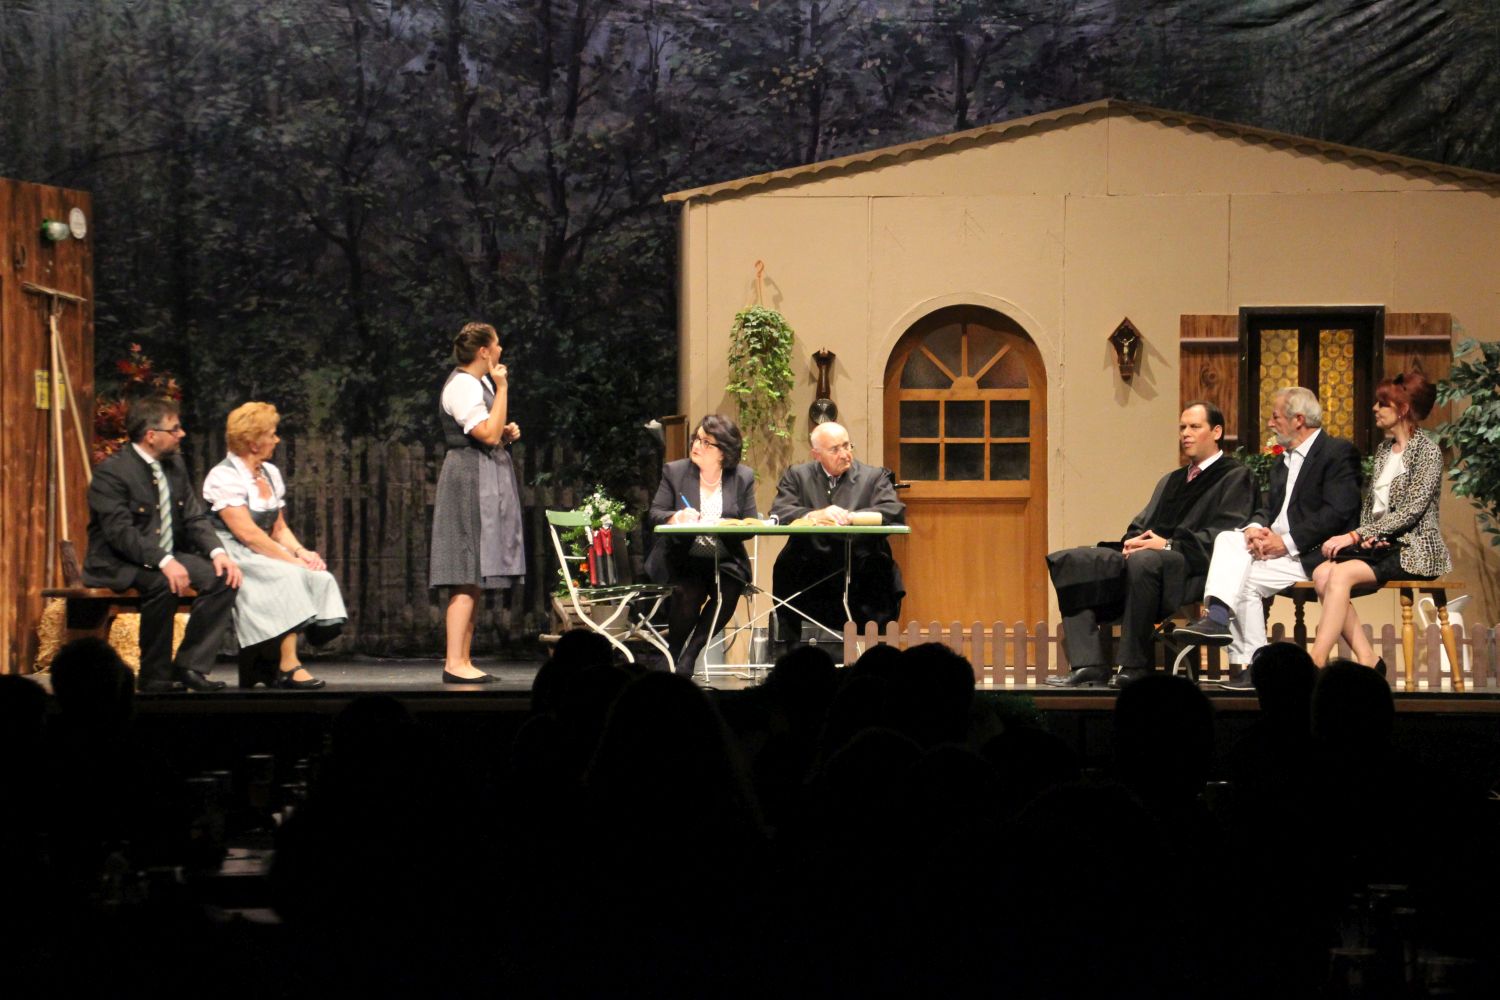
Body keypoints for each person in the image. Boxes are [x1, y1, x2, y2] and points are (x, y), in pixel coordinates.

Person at [1045, 402, 1254, 688]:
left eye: (1195, 427)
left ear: (1216, 432)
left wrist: (1167, 544)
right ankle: (1088, 664)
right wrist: (1133, 541)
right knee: (1074, 561)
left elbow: (1226, 535)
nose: (1186, 433)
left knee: (1144, 560)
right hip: (1150, 559)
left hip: (1191, 566)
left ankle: (1134, 665)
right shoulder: (1172, 480)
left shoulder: (1235, 476)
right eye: (1182, 427)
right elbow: (1142, 523)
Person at [1179, 387, 1362, 680]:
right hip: (1276, 550)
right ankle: (1231, 636)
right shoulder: (1281, 462)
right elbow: (1268, 509)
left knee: (1243, 579)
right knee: (1229, 540)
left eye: (1276, 417)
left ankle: (1245, 655)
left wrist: (1286, 543)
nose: (1270, 423)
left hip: (1314, 553)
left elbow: (1338, 512)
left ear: (1298, 420)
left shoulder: (1336, 453)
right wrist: (1254, 528)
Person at [82, 396, 242, 693]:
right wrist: (164, 561)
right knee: (162, 583)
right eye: (175, 429)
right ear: (151, 435)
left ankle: (190, 665)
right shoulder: (112, 473)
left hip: (167, 555)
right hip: (119, 561)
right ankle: (154, 676)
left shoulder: (174, 466)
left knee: (223, 577)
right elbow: (120, 534)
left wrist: (217, 552)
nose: (182, 434)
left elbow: (193, 516)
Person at [1307, 372, 1450, 668]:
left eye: (1382, 403)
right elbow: (1372, 506)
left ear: (1403, 409)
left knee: (1340, 575)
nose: (1375, 408)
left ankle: (1316, 659)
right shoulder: (1384, 451)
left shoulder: (1427, 452)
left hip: (1415, 547)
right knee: (1321, 574)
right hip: (1384, 545)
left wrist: (1356, 535)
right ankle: (1369, 659)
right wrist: (1368, 536)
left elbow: (1411, 511)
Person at [202, 402, 347, 690]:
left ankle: (313, 630)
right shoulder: (225, 476)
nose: (277, 440)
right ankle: (288, 664)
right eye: (271, 434)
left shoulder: (269, 473)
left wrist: (302, 553)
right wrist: (291, 562)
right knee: (289, 576)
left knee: (317, 576)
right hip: (233, 552)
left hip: (262, 549)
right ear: (253, 442)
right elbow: (247, 534)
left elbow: (278, 528)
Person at [429, 322, 524, 684]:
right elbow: (484, 433)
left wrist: (504, 434)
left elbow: (491, 431)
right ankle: (454, 662)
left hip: (478, 474)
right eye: (496, 345)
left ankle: (463, 659)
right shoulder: (464, 384)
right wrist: (503, 389)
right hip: (468, 479)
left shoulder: (477, 383)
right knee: (464, 573)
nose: (500, 350)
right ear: (484, 351)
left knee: (473, 577)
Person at [767, 421, 905, 649]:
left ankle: (877, 655)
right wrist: (816, 514)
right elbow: (780, 511)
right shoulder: (797, 476)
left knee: (881, 570)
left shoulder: (874, 477)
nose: (844, 454)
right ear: (816, 454)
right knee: (786, 566)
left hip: (861, 562)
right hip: (811, 563)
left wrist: (852, 518)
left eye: (847, 446)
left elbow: (893, 510)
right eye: (835, 449)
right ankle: (791, 653)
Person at [645, 415, 758, 676]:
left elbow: (750, 524)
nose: (697, 445)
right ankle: (674, 651)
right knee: (689, 591)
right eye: (697, 439)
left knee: (729, 589)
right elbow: (655, 513)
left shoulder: (742, 477)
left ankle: (691, 653)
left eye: (707, 442)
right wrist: (677, 517)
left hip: (724, 557)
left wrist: (728, 525)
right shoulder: (675, 471)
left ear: (724, 452)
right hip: (683, 555)